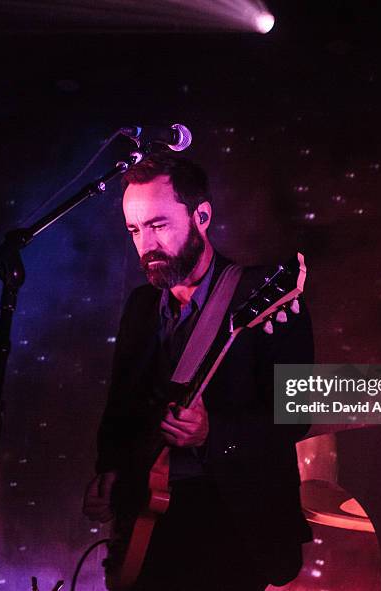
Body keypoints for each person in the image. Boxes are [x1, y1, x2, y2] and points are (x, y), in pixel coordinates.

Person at [83, 152, 314, 591]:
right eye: (134, 230)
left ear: (201, 216)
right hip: (148, 522)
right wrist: (109, 470)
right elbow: (120, 409)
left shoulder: (264, 293)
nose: (144, 244)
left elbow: (296, 414)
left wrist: (215, 432)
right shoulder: (141, 307)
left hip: (231, 524)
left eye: (158, 225)